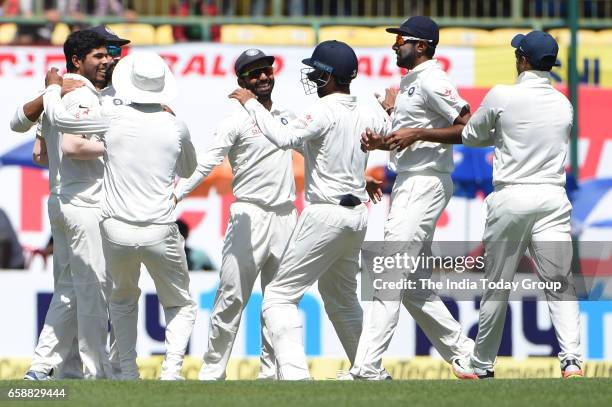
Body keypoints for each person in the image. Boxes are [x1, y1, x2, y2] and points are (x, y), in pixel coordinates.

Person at [230, 40, 390, 380]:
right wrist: (387, 108)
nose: (313, 77)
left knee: (277, 297)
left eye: (318, 72)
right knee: (341, 298)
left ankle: (294, 375)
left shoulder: (321, 110)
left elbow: (285, 138)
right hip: (357, 214)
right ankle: (370, 371)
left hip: (326, 214)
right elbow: (379, 130)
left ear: (330, 76)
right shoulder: (369, 108)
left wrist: (252, 105)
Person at [45, 51, 198, 380]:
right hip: (159, 228)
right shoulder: (176, 125)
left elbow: (60, 122)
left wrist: (52, 89)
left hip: (116, 230)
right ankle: (171, 372)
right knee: (180, 304)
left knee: (123, 300)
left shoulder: (112, 118)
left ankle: (127, 372)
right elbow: (188, 169)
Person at [446, 31, 581, 379]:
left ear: (522, 60)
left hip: (512, 196)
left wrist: (497, 131)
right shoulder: (563, 103)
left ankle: (482, 365)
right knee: (560, 283)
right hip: (552, 198)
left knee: (497, 285)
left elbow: (472, 136)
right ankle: (572, 362)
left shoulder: (502, 95)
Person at [353, 16, 475, 380]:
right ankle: (465, 353)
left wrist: (418, 133)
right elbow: (409, 135)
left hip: (424, 183)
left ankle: (367, 367)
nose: (395, 45)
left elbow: (468, 125)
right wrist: (384, 140)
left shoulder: (434, 79)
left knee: (389, 274)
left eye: (401, 40)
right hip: (410, 181)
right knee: (412, 286)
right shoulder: (411, 82)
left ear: (421, 46)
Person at [11, 28, 128, 381]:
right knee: (93, 290)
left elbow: (39, 152)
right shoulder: (81, 96)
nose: (109, 59)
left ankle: (45, 366)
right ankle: (96, 371)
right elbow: (70, 147)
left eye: (111, 53)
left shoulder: (62, 95)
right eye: (100, 54)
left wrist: (50, 91)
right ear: (77, 60)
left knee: (69, 290)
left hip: (64, 201)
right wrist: (125, 147)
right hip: (86, 204)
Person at [173, 48, 297, 380]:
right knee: (231, 297)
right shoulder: (235, 120)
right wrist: (176, 194)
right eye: (255, 73)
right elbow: (205, 163)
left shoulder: (286, 116)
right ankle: (213, 371)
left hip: (286, 216)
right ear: (241, 81)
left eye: (267, 70)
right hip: (249, 215)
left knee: (280, 302)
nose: (263, 77)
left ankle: (272, 374)